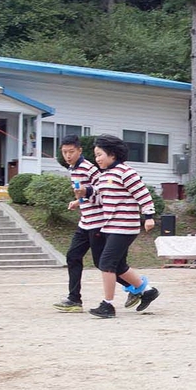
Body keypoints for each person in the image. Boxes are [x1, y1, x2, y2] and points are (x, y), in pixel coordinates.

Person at [82, 134, 160, 318]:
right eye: (95, 155)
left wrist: (148, 216)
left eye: (100, 154)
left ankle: (107, 305)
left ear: (113, 155)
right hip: (110, 226)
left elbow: (143, 194)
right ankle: (148, 291)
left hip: (125, 226)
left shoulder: (126, 172)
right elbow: (100, 195)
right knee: (119, 265)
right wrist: (82, 197)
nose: (97, 159)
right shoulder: (104, 175)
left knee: (106, 263)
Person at [54, 135, 133, 312]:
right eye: (64, 152)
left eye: (71, 152)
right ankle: (74, 299)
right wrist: (78, 202)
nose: (67, 155)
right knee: (73, 256)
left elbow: (103, 195)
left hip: (98, 222)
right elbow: (87, 195)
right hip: (85, 222)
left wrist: (84, 195)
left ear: (80, 150)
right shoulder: (73, 169)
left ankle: (137, 288)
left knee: (103, 264)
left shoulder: (90, 169)